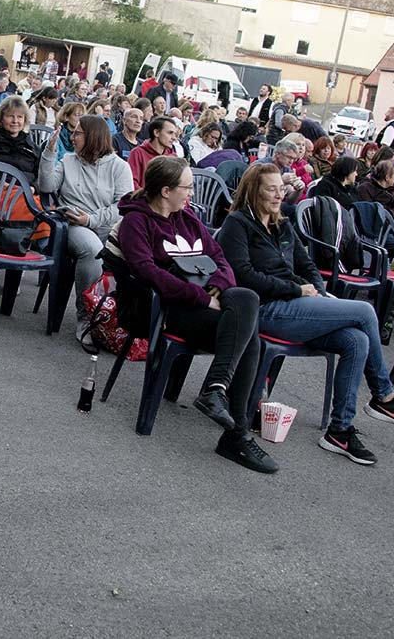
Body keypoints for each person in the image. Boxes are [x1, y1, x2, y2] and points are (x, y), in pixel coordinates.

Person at [219, 163, 394, 466]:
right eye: (271, 189)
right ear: (254, 191)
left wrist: (318, 290)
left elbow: (307, 265)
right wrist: (295, 290)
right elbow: (243, 275)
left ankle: (339, 430)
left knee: (356, 340)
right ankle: (384, 397)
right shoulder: (237, 223)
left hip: (297, 307)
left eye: (281, 188)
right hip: (264, 308)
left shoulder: (281, 223)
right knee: (365, 311)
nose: (279, 194)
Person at [104, 157, 277, 473]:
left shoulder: (188, 220)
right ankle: (234, 433)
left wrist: (217, 286)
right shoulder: (136, 223)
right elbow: (147, 272)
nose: (192, 194)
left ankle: (216, 390)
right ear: (166, 190)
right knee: (248, 334)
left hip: (197, 306)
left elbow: (221, 259)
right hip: (159, 311)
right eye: (188, 187)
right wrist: (199, 297)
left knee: (245, 300)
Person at [37, 114, 133, 338]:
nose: (72, 137)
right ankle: (86, 318)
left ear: (92, 137)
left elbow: (123, 205)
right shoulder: (69, 160)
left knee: (139, 253)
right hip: (73, 225)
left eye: (77, 133)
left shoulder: (119, 167)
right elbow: (46, 184)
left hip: (107, 226)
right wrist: (49, 153)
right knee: (91, 249)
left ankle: (123, 323)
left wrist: (92, 219)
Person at [0, 95, 40, 177]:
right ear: (1, 118)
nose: (15, 121)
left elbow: (40, 177)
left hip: (26, 188)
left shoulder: (33, 149)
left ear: (25, 120)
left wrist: (33, 187)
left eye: (20, 117)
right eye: (10, 116)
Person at [128, 117, 185, 187]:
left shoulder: (173, 156)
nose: (174, 138)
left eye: (175, 134)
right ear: (156, 132)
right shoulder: (137, 153)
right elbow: (132, 183)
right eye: (170, 133)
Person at [356, 158, 394, 230]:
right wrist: (393, 225)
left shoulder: (392, 189)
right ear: (387, 178)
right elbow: (370, 215)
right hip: (379, 230)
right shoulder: (365, 189)